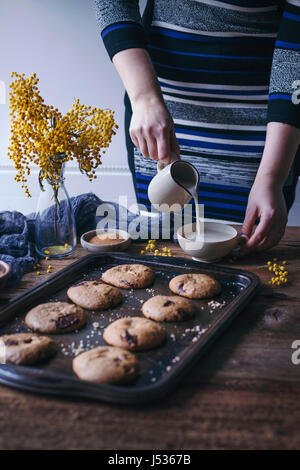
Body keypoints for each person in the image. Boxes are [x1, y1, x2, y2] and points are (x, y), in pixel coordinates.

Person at [94, 0, 300, 252]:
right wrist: (144, 98)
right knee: (164, 242)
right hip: (159, 110)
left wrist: (272, 176)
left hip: (268, 126)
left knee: (246, 248)